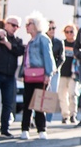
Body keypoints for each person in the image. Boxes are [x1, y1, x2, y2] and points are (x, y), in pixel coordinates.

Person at [21, 12, 58, 140]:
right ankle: (25, 129)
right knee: (27, 102)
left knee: (39, 102)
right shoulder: (31, 40)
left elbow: (48, 57)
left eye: (28, 24)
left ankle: (42, 129)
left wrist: (48, 74)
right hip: (29, 75)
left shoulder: (42, 38)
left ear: (36, 25)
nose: (26, 26)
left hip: (40, 75)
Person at [58, 24, 78, 124]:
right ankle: (65, 115)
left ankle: (73, 115)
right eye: (67, 32)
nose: (69, 34)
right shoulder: (62, 43)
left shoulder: (78, 44)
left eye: (71, 31)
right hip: (62, 73)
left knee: (72, 94)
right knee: (62, 95)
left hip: (74, 74)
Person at [46, 20, 65, 97]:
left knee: (52, 93)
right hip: (43, 71)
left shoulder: (59, 42)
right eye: (49, 28)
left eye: (53, 28)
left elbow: (62, 58)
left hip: (54, 71)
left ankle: (50, 109)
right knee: (43, 93)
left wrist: (55, 68)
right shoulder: (42, 40)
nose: (51, 30)